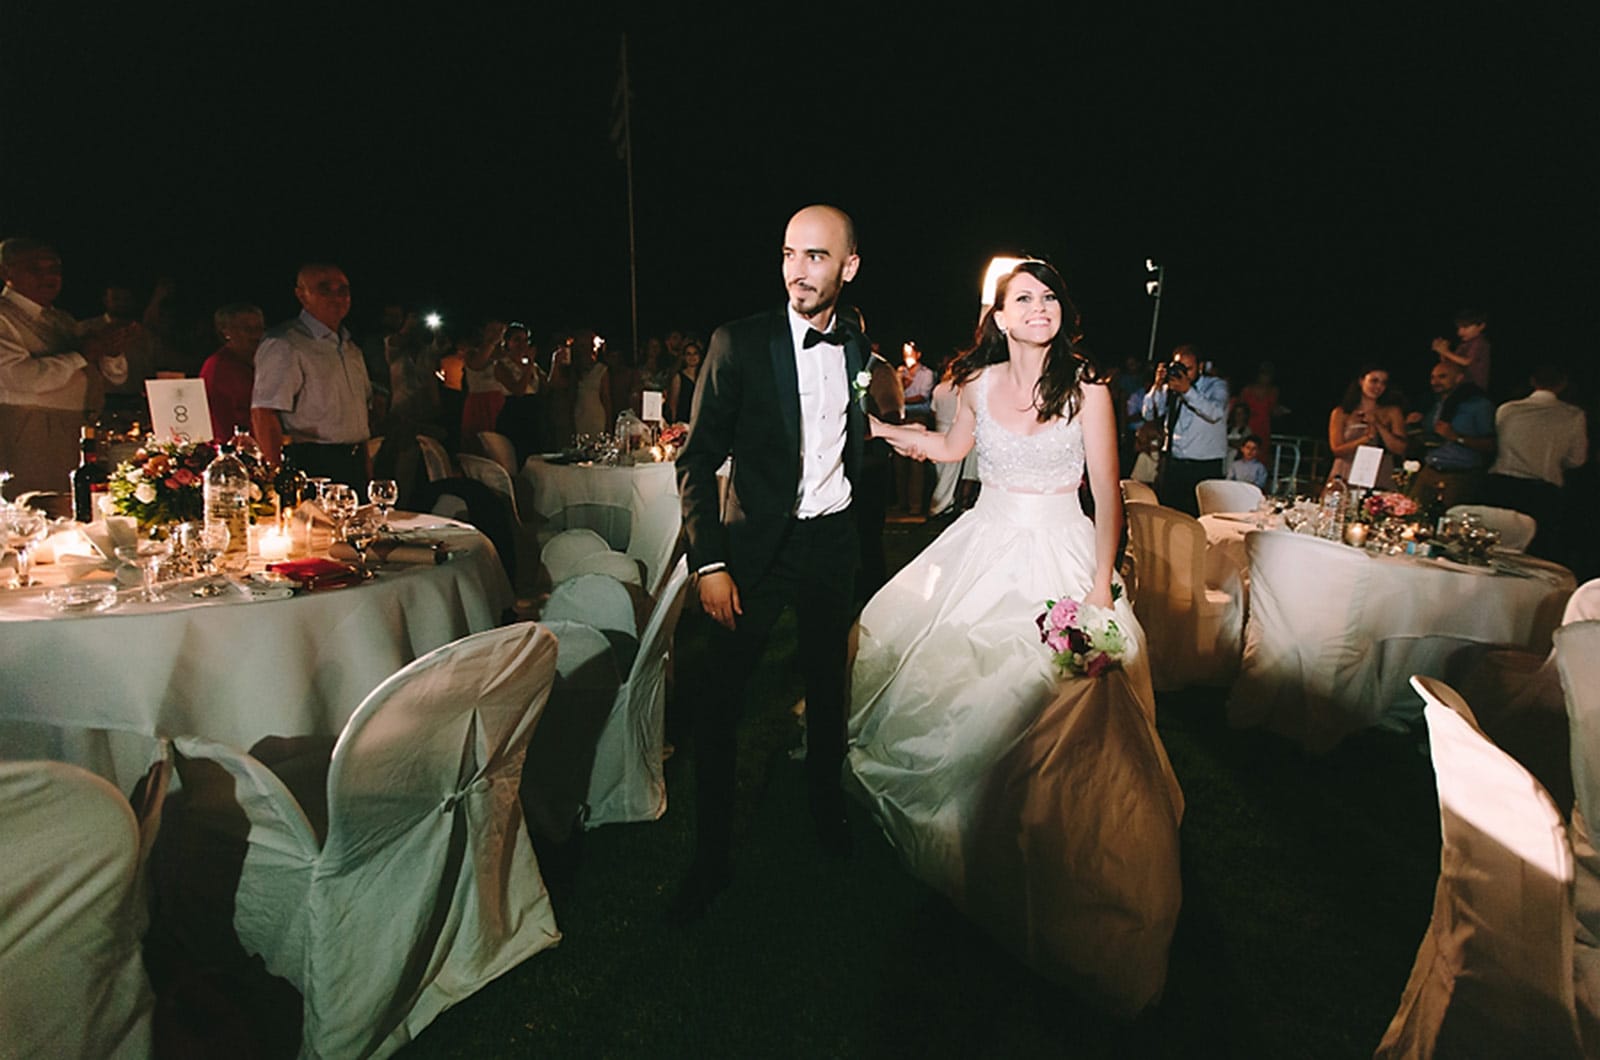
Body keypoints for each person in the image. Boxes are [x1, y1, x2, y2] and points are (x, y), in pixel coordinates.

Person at [853, 260, 1182, 1015]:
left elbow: (1108, 492)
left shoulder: (1090, 390)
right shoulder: (973, 386)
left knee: (1059, 704)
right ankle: (983, 823)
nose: (1040, 308)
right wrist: (880, 428)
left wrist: (1098, 589)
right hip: (986, 543)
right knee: (956, 676)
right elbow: (948, 452)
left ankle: (1058, 838)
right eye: (1023, 299)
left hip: (1062, 554)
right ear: (999, 317)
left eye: (1049, 297)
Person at [671, 204, 868, 922]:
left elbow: (847, 439)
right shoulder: (739, 342)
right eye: (789, 253)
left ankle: (825, 811)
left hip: (831, 545)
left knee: (826, 688)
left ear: (848, 267)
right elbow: (695, 459)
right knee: (720, 706)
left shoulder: (855, 344)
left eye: (816, 256)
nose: (797, 269)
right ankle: (710, 857)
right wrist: (710, 564)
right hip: (752, 552)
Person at [0, 237, 129, 493]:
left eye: (54, 269)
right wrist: (82, 354)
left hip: (79, 430)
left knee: (77, 513)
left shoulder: (62, 319)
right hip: (31, 432)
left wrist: (111, 352)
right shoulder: (4, 317)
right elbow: (20, 378)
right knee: (37, 512)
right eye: (35, 269)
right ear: (6, 272)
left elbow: (115, 377)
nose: (48, 277)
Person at [250, 263, 372, 487]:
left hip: (353, 463)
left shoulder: (350, 348)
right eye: (324, 289)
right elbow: (264, 413)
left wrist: (365, 468)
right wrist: (275, 478)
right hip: (313, 463)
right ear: (302, 295)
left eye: (343, 290)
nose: (336, 297)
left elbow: (357, 417)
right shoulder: (286, 344)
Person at [1483, 363, 1587, 557]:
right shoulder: (1573, 416)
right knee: (1533, 554)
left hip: (1502, 484)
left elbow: (1496, 443)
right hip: (1542, 492)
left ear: (1532, 381)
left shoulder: (1507, 409)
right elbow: (1577, 459)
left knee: (1493, 548)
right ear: (1563, 384)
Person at [1142, 343, 1229, 515]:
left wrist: (1187, 391)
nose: (1183, 374)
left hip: (1204, 465)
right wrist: (1157, 386)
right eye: (1179, 367)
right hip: (1174, 463)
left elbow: (1215, 413)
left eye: (1188, 369)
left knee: (1200, 517)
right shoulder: (1171, 387)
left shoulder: (1215, 386)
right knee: (1168, 514)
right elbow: (1148, 414)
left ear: (1201, 367)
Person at [1408, 360, 1494, 507]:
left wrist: (1456, 437)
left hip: (1459, 475)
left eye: (1442, 377)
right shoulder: (1432, 403)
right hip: (1430, 468)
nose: (1435, 382)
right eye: (1433, 377)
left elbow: (1491, 445)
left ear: (1459, 378)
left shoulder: (1479, 405)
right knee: (1410, 515)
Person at [1326, 365, 1407, 488]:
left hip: (1380, 472)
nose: (1378, 387)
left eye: (1383, 383)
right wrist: (1364, 440)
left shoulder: (1392, 412)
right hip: (1346, 472)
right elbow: (1337, 450)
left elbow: (1400, 448)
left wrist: (1378, 425)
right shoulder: (1341, 412)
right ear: (1361, 381)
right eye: (1374, 381)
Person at [199, 302, 264, 440]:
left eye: (259, 328)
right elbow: (218, 419)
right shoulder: (217, 367)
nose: (256, 335)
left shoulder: (267, 360)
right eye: (247, 329)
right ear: (226, 331)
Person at [1432, 308, 1490, 394]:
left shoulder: (1479, 342)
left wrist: (1446, 352)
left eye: (1465, 327)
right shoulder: (1463, 345)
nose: (1460, 332)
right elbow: (1451, 365)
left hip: (1474, 388)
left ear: (1481, 326)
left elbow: (1467, 362)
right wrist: (1441, 351)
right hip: (1459, 386)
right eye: (1459, 328)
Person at [571, 334, 612, 438]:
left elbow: (606, 398)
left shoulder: (601, 370)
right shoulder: (574, 371)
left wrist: (609, 425)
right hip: (580, 415)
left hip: (596, 415)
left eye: (585, 346)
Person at [665, 336, 703, 425]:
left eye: (695, 353)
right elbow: (673, 403)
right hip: (683, 421)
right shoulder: (679, 377)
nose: (692, 357)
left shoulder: (703, 376)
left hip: (699, 420)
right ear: (684, 357)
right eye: (688, 354)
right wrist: (674, 422)